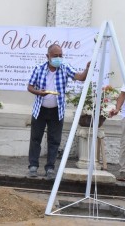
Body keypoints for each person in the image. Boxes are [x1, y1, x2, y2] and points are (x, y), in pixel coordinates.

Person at [27, 44, 90, 180]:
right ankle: (33, 166)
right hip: (40, 110)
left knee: (54, 141)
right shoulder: (39, 69)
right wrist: (39, 92)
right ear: (48, 56)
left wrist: (87, 69)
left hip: (57, 111)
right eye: (55, 56)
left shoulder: (64, 67)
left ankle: (50, 168)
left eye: (60, 55)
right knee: (35, 138)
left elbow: (80, 77)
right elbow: (30, 86)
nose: (58, 58)